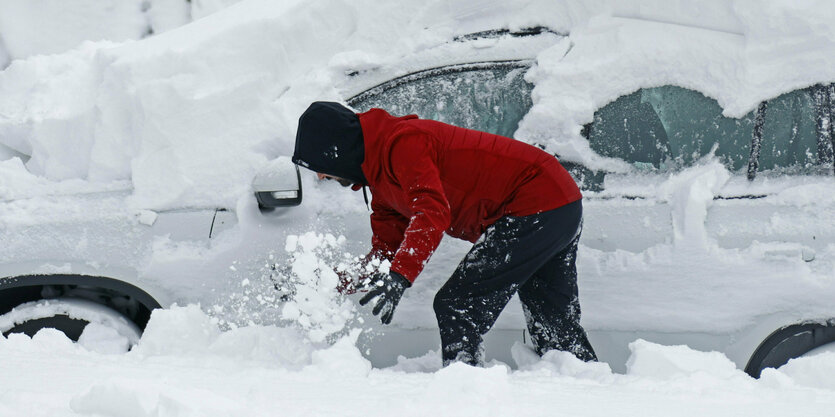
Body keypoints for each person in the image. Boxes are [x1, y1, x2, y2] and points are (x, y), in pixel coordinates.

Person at [292, 101, 597, 366]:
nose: (320, 175)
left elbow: (432, 211)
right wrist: (326, 283)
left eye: (319, 164)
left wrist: (402, 276)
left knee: (456, 305)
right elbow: (385, 256)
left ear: (337, 150)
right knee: (554, 327)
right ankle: (586, 388)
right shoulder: (382, 183)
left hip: (537, 200)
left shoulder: (404, 144)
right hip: (555, 202)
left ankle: (462, 395)